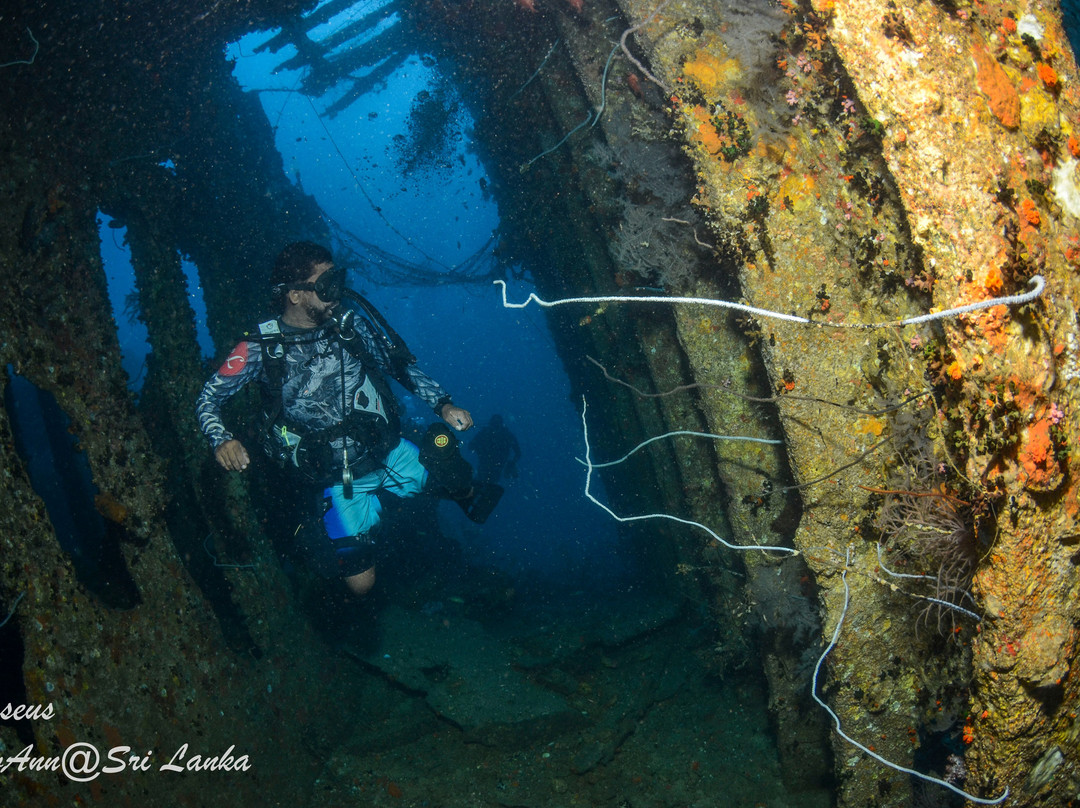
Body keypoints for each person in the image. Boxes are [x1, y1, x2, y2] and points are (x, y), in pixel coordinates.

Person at [195, 242, 501, 596]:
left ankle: (438, 485)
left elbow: (398, 366)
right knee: (361, 585)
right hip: (338, 476)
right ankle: (321, 533)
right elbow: (209, 398)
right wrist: (221, 438)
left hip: (386, 450)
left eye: (338, 280)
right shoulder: (260, 348)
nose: (337, 293)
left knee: (462, 485)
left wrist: (443, 405)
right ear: (294, 294)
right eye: (326, 285)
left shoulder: (350, 326)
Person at [469, 414, 521, 486]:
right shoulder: (506, 435)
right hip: (490, 465)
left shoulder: (486, 433)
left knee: (483, 484)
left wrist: (511, 464)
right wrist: (511, 463)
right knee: (486, 484)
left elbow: (471, 446)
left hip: (490, 465)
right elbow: (518, 453)